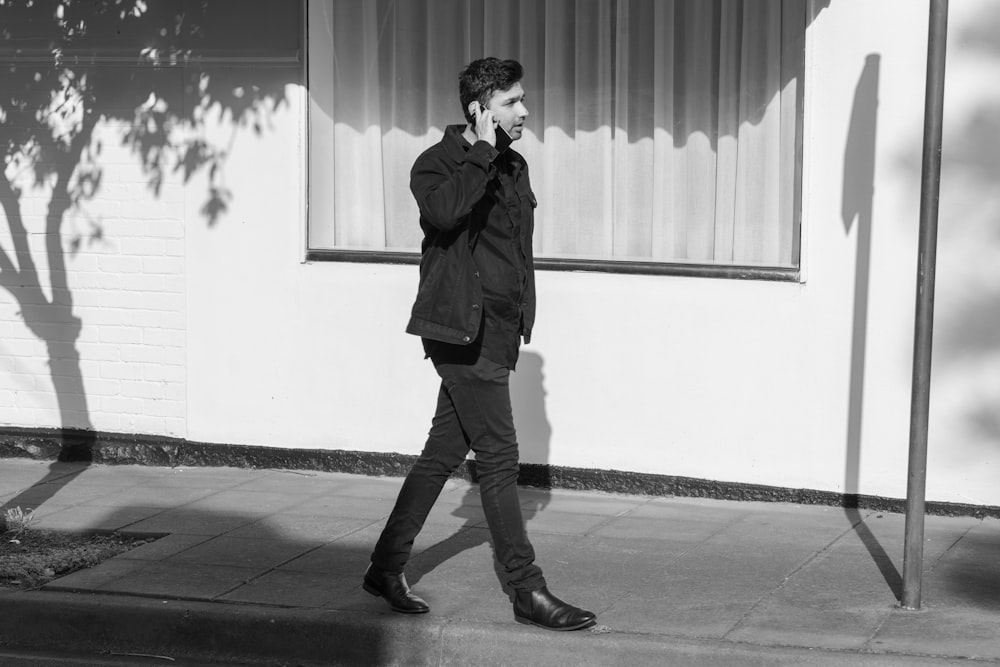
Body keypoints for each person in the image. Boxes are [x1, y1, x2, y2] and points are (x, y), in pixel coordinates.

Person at [363, 57, 596, 632]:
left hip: (499, 329)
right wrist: (482, 153)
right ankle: (526, 589)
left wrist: (520, 316)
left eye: (523, 100)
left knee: (443, 451)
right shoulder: (436, 164)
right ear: (480, 108)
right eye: (512, 102)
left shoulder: (514, 165)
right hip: (460, 333)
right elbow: (445, 212)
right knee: (499, 458)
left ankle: (384, 567)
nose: (524, 111)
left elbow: (514, 249)